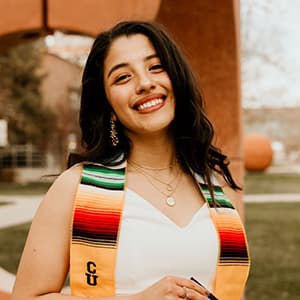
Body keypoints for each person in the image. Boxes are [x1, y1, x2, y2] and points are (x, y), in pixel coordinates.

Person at [12, 21, 250, 300]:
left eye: (156, 67)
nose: (145, 83)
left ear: (177, 79)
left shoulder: (218, 191)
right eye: (123, 77)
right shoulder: (77, 188)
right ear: (108, 104)